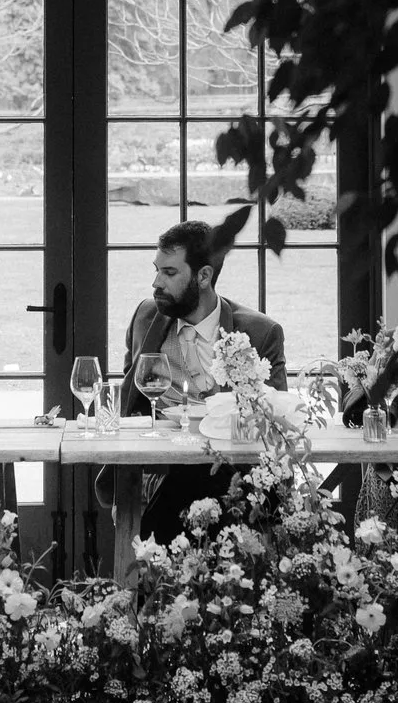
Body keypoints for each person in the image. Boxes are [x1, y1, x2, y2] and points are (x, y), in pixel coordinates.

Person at [109, 219, 287, 543]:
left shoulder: (261, 333)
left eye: (170, 273)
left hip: (234, 470)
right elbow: (129, 406)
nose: (156, 283)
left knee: (214, 475)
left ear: (204, 276)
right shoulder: (145, 317)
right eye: (157, 270)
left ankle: (166, 583)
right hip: (162, 467)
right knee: (191, 476)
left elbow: (275, 423)